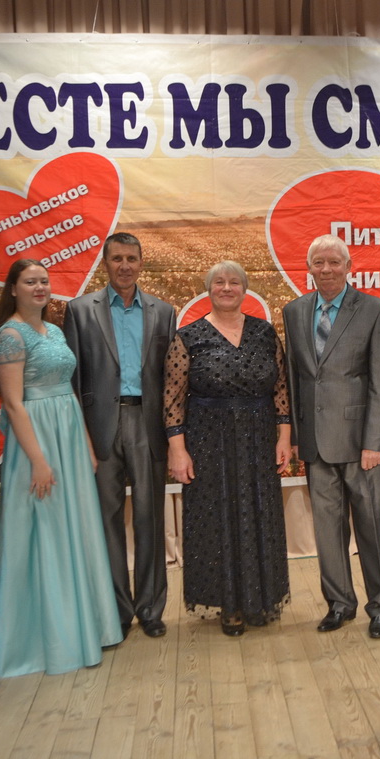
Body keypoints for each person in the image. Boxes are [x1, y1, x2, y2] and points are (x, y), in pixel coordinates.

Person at [0, 259, 123, 677]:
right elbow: (13, 404)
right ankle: (51, 639)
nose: (39, 287)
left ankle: (87, 627)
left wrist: (86, 445)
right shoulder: (10, 335)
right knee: (45, 532)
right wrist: (38, 462)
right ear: (13, 288)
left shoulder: (56, 330)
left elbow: (70, 391)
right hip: (38, 442)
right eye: (30, 281)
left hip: (68, 436)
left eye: (44, 281)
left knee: (74, 527)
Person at [164, 261, 291, 636]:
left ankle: (260, 599)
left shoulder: (265, 332)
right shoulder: (188, 337)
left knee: (260, 516)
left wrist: (284, 437)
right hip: (208, 441)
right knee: (216, 519)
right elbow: (172, 399)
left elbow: (281, 388)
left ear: (245, 289)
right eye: (218, 282)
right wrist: (178, 449)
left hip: (259, 438)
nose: (226, 288)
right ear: (208, 289)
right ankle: (229, 604)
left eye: (235, 282)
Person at [282, 234, 380, 639]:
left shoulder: (374, 310)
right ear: (309, 268)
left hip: (362, 445)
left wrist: (375, 442)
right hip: (316, 444)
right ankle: (339, 603)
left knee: (373, 527)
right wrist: (297, 437)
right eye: (319, 262)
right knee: (327, 532)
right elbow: (295, 377)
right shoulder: (294, 311)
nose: (327, 269)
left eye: (334, 262)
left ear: (349, 267)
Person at [64, 232, 176, 639]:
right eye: (117, 259)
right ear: (105, 263)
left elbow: (172, 378)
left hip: (148, 424)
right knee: (106, 521)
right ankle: (117, 610)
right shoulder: (80, 310)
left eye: (131, 258)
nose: (124, 266)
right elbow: (72, 379)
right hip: (101, 427)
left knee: (150, 518)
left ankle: (150, 609)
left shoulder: (164, 312)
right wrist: (81, 437)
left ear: (141, 262)